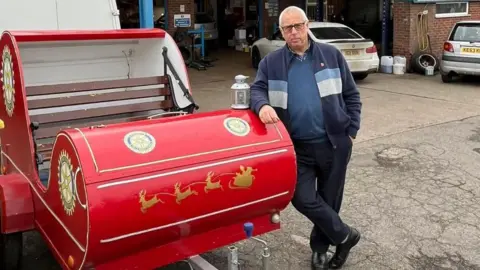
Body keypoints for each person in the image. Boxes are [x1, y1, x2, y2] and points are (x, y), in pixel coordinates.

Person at [249, 6, 362, 270]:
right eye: (288, 28)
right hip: (297, 146)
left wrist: (352, 131)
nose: (294, 32)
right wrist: (262, 105)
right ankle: (346, 236)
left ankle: (321, 249)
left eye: (298, 25)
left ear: (307, 24)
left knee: (330, 198)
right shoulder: (271, 63)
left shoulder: (331, 55)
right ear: (281, 32)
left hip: (334, 143)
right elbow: (257, 90)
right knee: (301, 197)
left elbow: (352, 96)